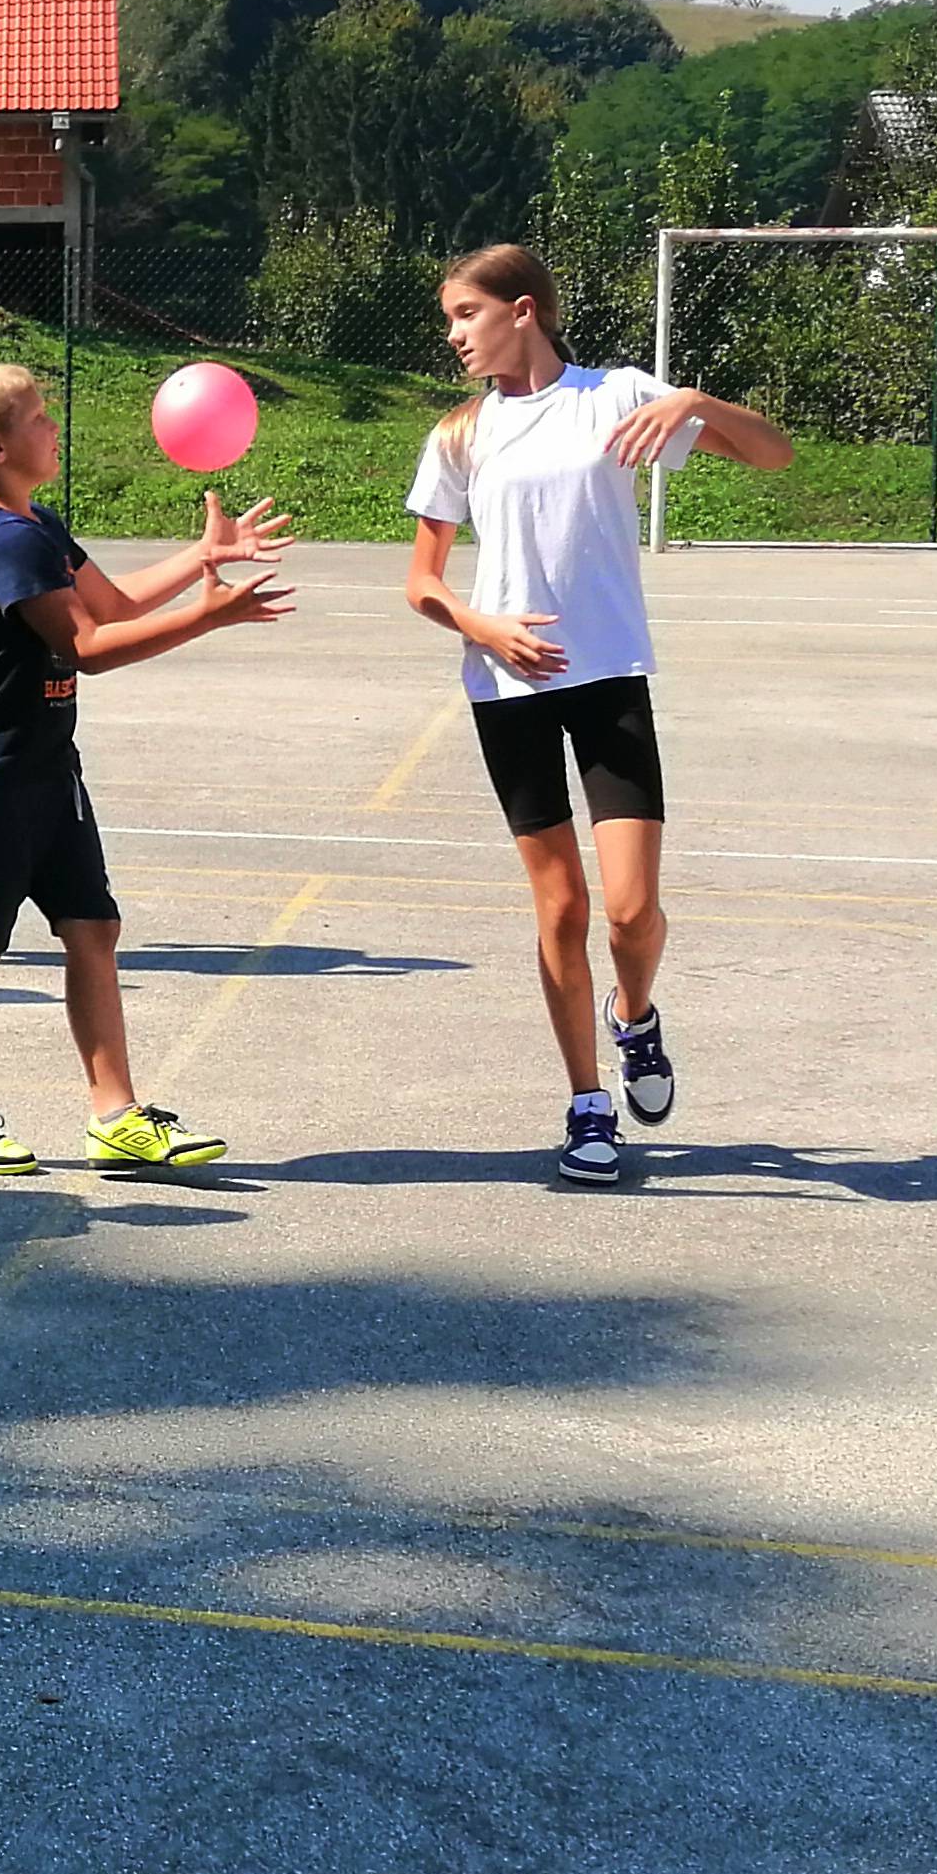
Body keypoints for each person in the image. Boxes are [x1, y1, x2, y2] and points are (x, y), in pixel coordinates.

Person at [398, 241, 791, 1186]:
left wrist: (692, 402)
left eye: (465, 313)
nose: (454, 335)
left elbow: (772, 455)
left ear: (522, 310)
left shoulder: (615, 397)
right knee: (562, 905)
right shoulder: (460, 434)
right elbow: (421, 582)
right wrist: (482, 624)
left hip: (609, 678)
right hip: (508, 691)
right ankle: (586, 1105)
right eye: (450, 319)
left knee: (631, 910)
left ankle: (635, 1017)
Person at [0, 361, 285, 1178]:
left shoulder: (36, 522)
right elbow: (87, 646)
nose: (54, 428)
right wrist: (206, 616)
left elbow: (112, 604)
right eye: (39, 417)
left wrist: (201, 556)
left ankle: (116, 1116)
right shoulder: (2, 539)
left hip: (45, 765)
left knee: (92, 928)